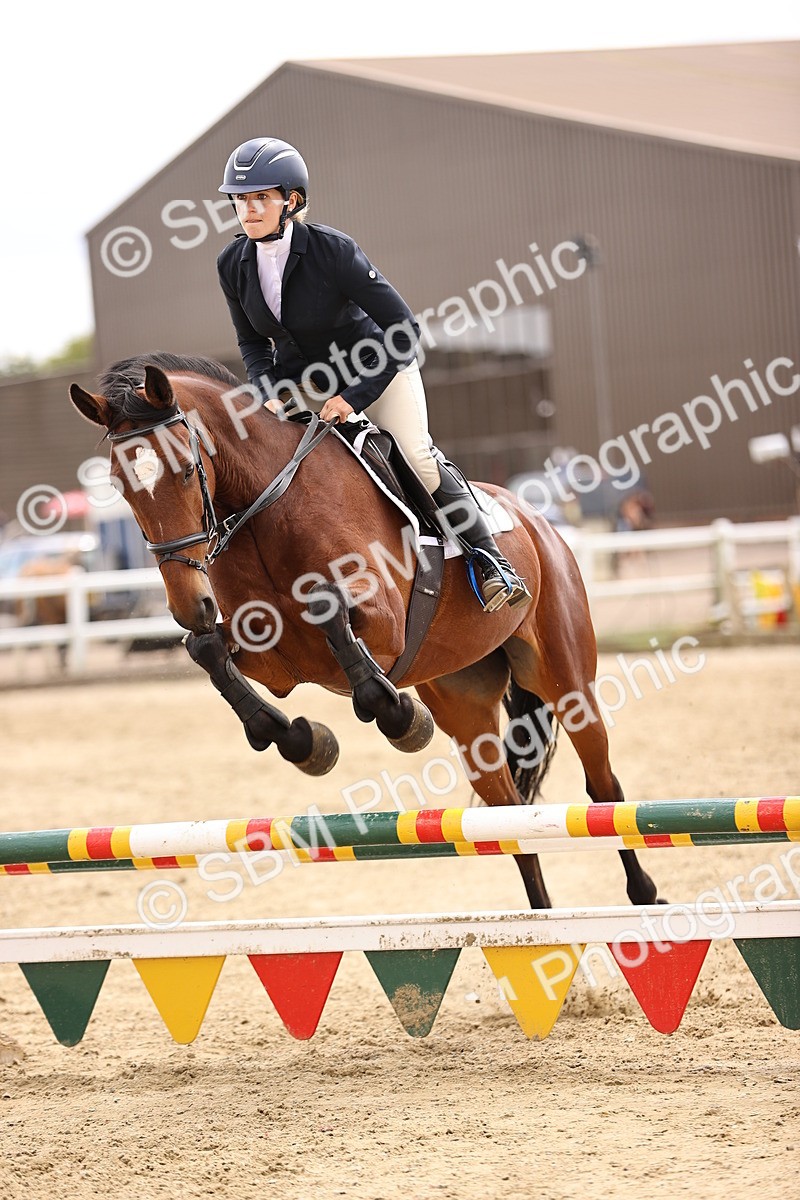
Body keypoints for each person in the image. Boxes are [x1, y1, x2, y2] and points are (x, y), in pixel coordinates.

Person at [216, 136, 531, 612]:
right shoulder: (231, 264)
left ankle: (491, 562)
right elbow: (252, 343)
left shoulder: (333, 251)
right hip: (302, 382)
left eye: (260, 198)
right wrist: (269, 392)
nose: (248, 209)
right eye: (240, 199)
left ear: (292, 201)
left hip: (374, 368)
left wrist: (354, 397)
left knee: (415, 455)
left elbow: (404, 330)